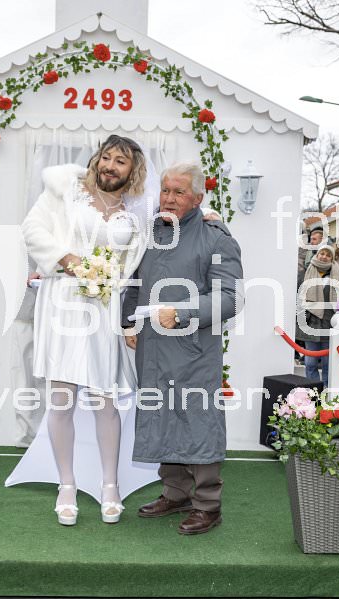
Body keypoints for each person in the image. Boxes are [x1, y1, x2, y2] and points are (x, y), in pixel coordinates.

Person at [18, 135, 151, 526]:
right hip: (64, 303)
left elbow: (141, 259)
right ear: (96, 160)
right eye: (106, 157)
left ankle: (110, 486)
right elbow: (32, 228)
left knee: (105, 401)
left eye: (120, 161)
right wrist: (67, 258)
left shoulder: (137, 213)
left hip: (105, 310)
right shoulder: (65, 192)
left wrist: (208, 213)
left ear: (133, 171)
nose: (110, 166)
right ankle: (67, 486)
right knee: (62, 399)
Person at [122, 162, 243, 535]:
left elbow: (230, 298)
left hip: (194, 350)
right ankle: (175, 494)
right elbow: (135, 283)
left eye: (179, 192)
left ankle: (208, 505)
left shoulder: (216, 239)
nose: (169, 199)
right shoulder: (151, 234)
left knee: (197, 420)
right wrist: (128, 321)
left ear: (198, 197)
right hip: (153, 348)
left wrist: (182, 312)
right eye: (165, 190)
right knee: (161, 415)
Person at [296, 245, 339, 384]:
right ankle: (313, 390)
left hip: (329, 323)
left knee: (327, 363)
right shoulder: (306, 272)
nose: (324, 257)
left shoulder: (336, 274)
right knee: (310, 362)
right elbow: (298, 297)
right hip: (311, 323)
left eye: (328, 255)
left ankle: (327, 390)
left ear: (332, 258)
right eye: (322, 253)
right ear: (317, 254)